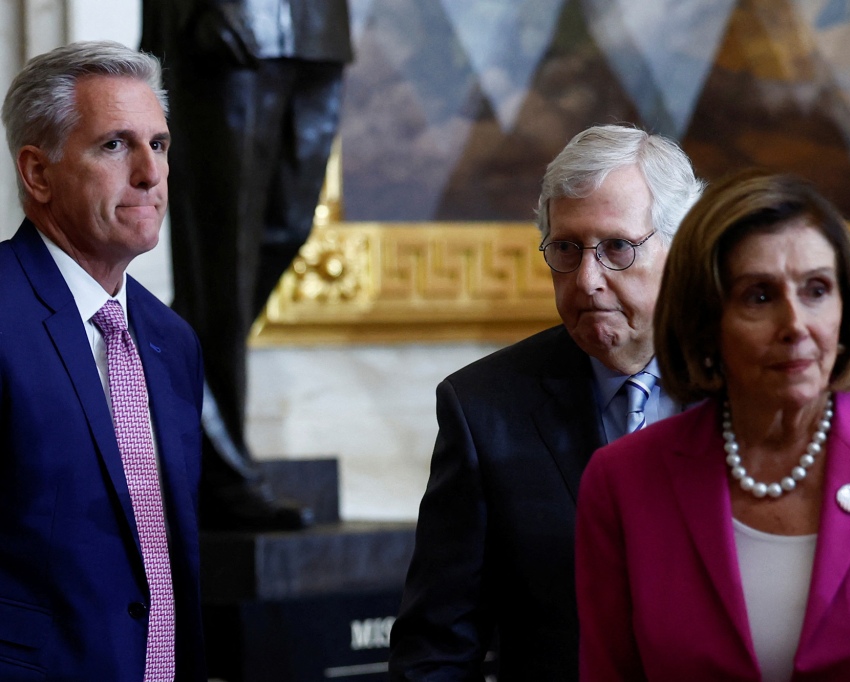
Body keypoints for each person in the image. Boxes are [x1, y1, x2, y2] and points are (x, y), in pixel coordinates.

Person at [575, 169, 850, 680]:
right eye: (759, 296)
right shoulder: (623, 482)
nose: (796, 325)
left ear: (846, 307)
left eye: (816, 290)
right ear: (705, 320)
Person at [389, 124, 703, 681]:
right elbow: (436, 648)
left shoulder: (740, 385)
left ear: (681, 249)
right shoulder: (485, 409)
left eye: (617, 248)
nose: (587, 280)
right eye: (565, 248)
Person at [0, 41, 206, 679]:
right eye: (115, 145)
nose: (150, 174)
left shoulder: (173, 340)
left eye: (160, 144)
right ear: (37, 173)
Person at [140, 0, 354, 530]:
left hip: (316, 27)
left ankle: (168, 367)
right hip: (230, 21)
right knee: (221, 254)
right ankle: (221, 462)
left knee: (284, 229)